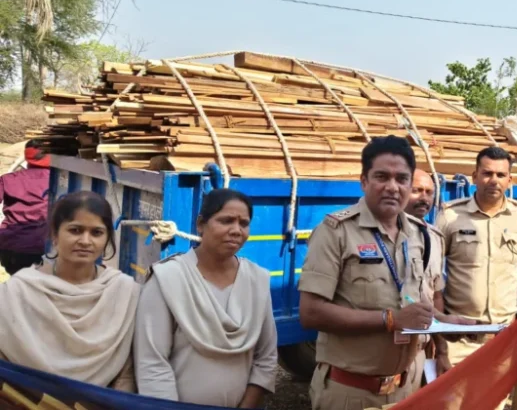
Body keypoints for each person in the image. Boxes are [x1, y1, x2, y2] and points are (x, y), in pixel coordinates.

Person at [298, 136, 437, 410]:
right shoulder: (335, 232)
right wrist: (390, 320)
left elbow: (411, 304)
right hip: (351, 393)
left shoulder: (418, 235)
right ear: (364, 181)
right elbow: (311, 312)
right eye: (382, 177)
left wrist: (449, 322)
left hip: (406, 390)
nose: (392, 187)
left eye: (402, 179)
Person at [134, 189, 277, 407]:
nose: (236, 230)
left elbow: (266, 357)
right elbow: (152, 362)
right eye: (226, 221)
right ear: (201, 224)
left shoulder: (257, 280)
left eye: (244, 223)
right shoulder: (168, 278)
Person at [0, 191, 139, 391]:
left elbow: (127, 373)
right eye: (75, 230)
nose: (85, 241)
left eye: (96, 233)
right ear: (54, 235)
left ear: (108, 238)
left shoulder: (124, 293)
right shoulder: (18, 292)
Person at [436, 146, 517, 409]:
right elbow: (432, 278)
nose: (494, 180)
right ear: (474, 176)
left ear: (510, 180)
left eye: (501, 175)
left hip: (503, 340)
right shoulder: (450, 215)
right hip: (459, 341)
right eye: (487, 173)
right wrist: (440, 343)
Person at [403, 169, 473, 388]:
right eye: (417, 190)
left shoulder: (434, 237)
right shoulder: (378, 236)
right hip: (382, 352)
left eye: (429, 192)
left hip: (417, 355)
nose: (424, 198)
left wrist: (441, 350)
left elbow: (436, 296)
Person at [0, 140, 50, 274]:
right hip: (42, 248)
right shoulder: (58, 181)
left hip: (10, 246)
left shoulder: (8, 179)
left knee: (17, 283)